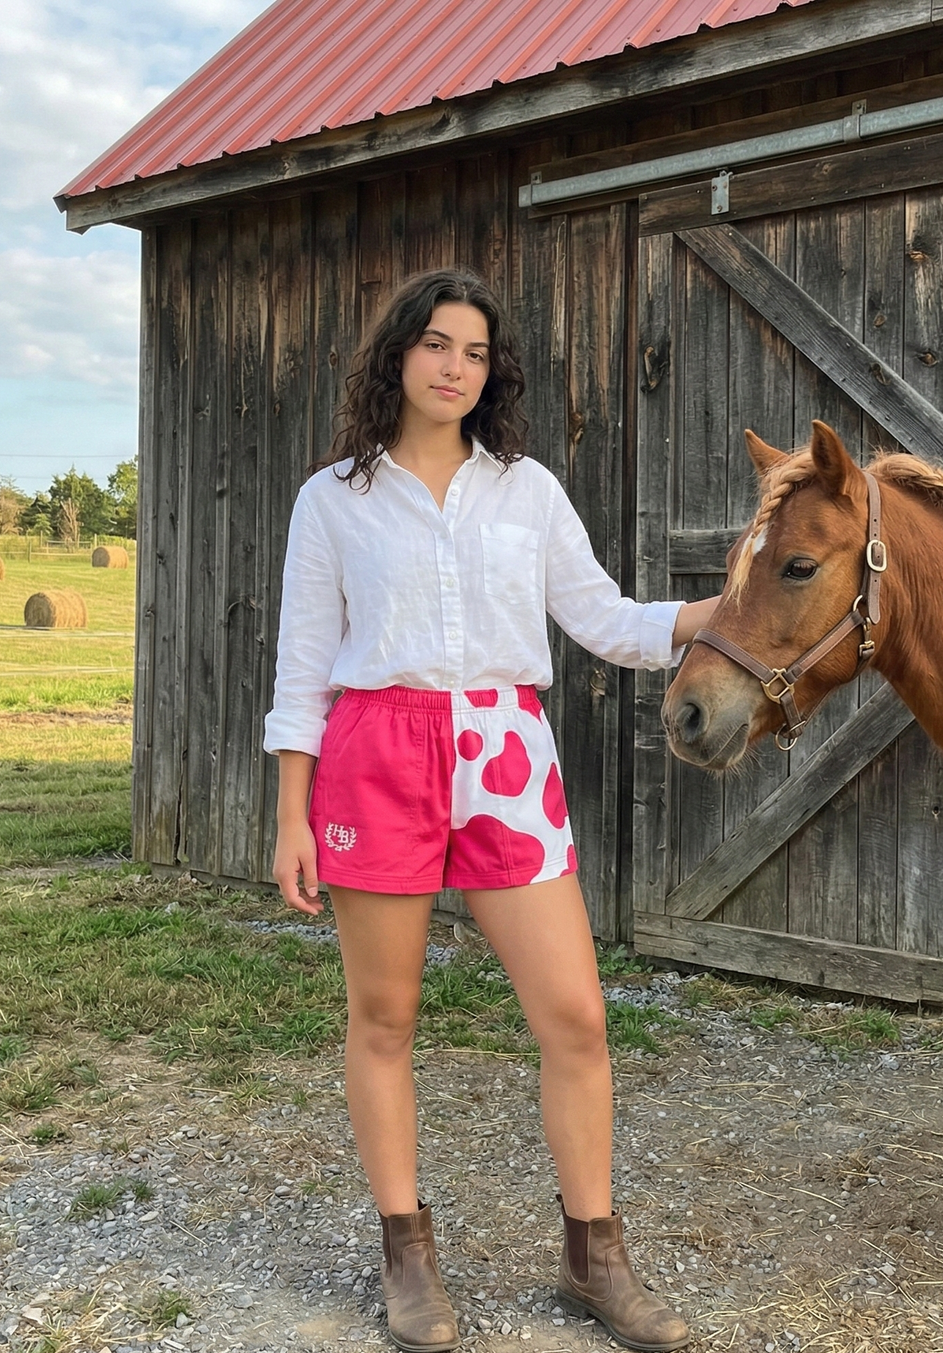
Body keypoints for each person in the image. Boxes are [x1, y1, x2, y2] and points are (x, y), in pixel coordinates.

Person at [264, 268, 718, 1353]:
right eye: (432, 344)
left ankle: (592, 1255)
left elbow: (603, 618)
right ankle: (405, 1252)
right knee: (383, 1020)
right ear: (396, 356)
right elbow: (301, 665)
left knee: (575, 1017)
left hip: (506, 750)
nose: (451, 366)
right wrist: (291, 812)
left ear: (490, 371)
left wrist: (723, 609)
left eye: (472, 351)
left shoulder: (526, 489)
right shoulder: (333, 498)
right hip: (374, 750)